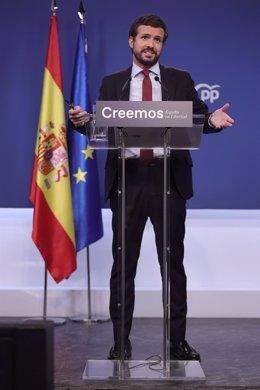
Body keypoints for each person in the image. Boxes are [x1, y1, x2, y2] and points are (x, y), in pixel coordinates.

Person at [69, 14, 234, 361]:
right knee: (123, 264)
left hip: (168, 181)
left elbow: (200, 119)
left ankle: (177, 343)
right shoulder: (112, 83)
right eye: (145, 38)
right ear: (132, 42)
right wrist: (85, 124)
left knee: (172, 264)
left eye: (157, 40)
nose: (151, 45)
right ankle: (120, 342)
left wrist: (214, 123)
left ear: (162, 45)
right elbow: (101, 130)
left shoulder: (180, 79)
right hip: (127, 182)